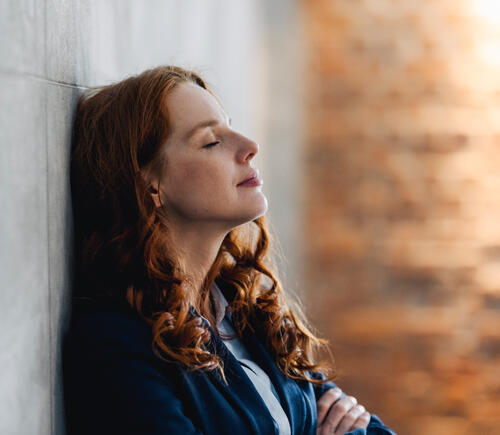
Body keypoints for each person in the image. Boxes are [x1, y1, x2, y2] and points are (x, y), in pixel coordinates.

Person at [63, 65, 396, 435]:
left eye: (230, 127)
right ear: (149, 186)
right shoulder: (117, 343)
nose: (250, 147)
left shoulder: (245, 314)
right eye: (211, 141)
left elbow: (369, 430)